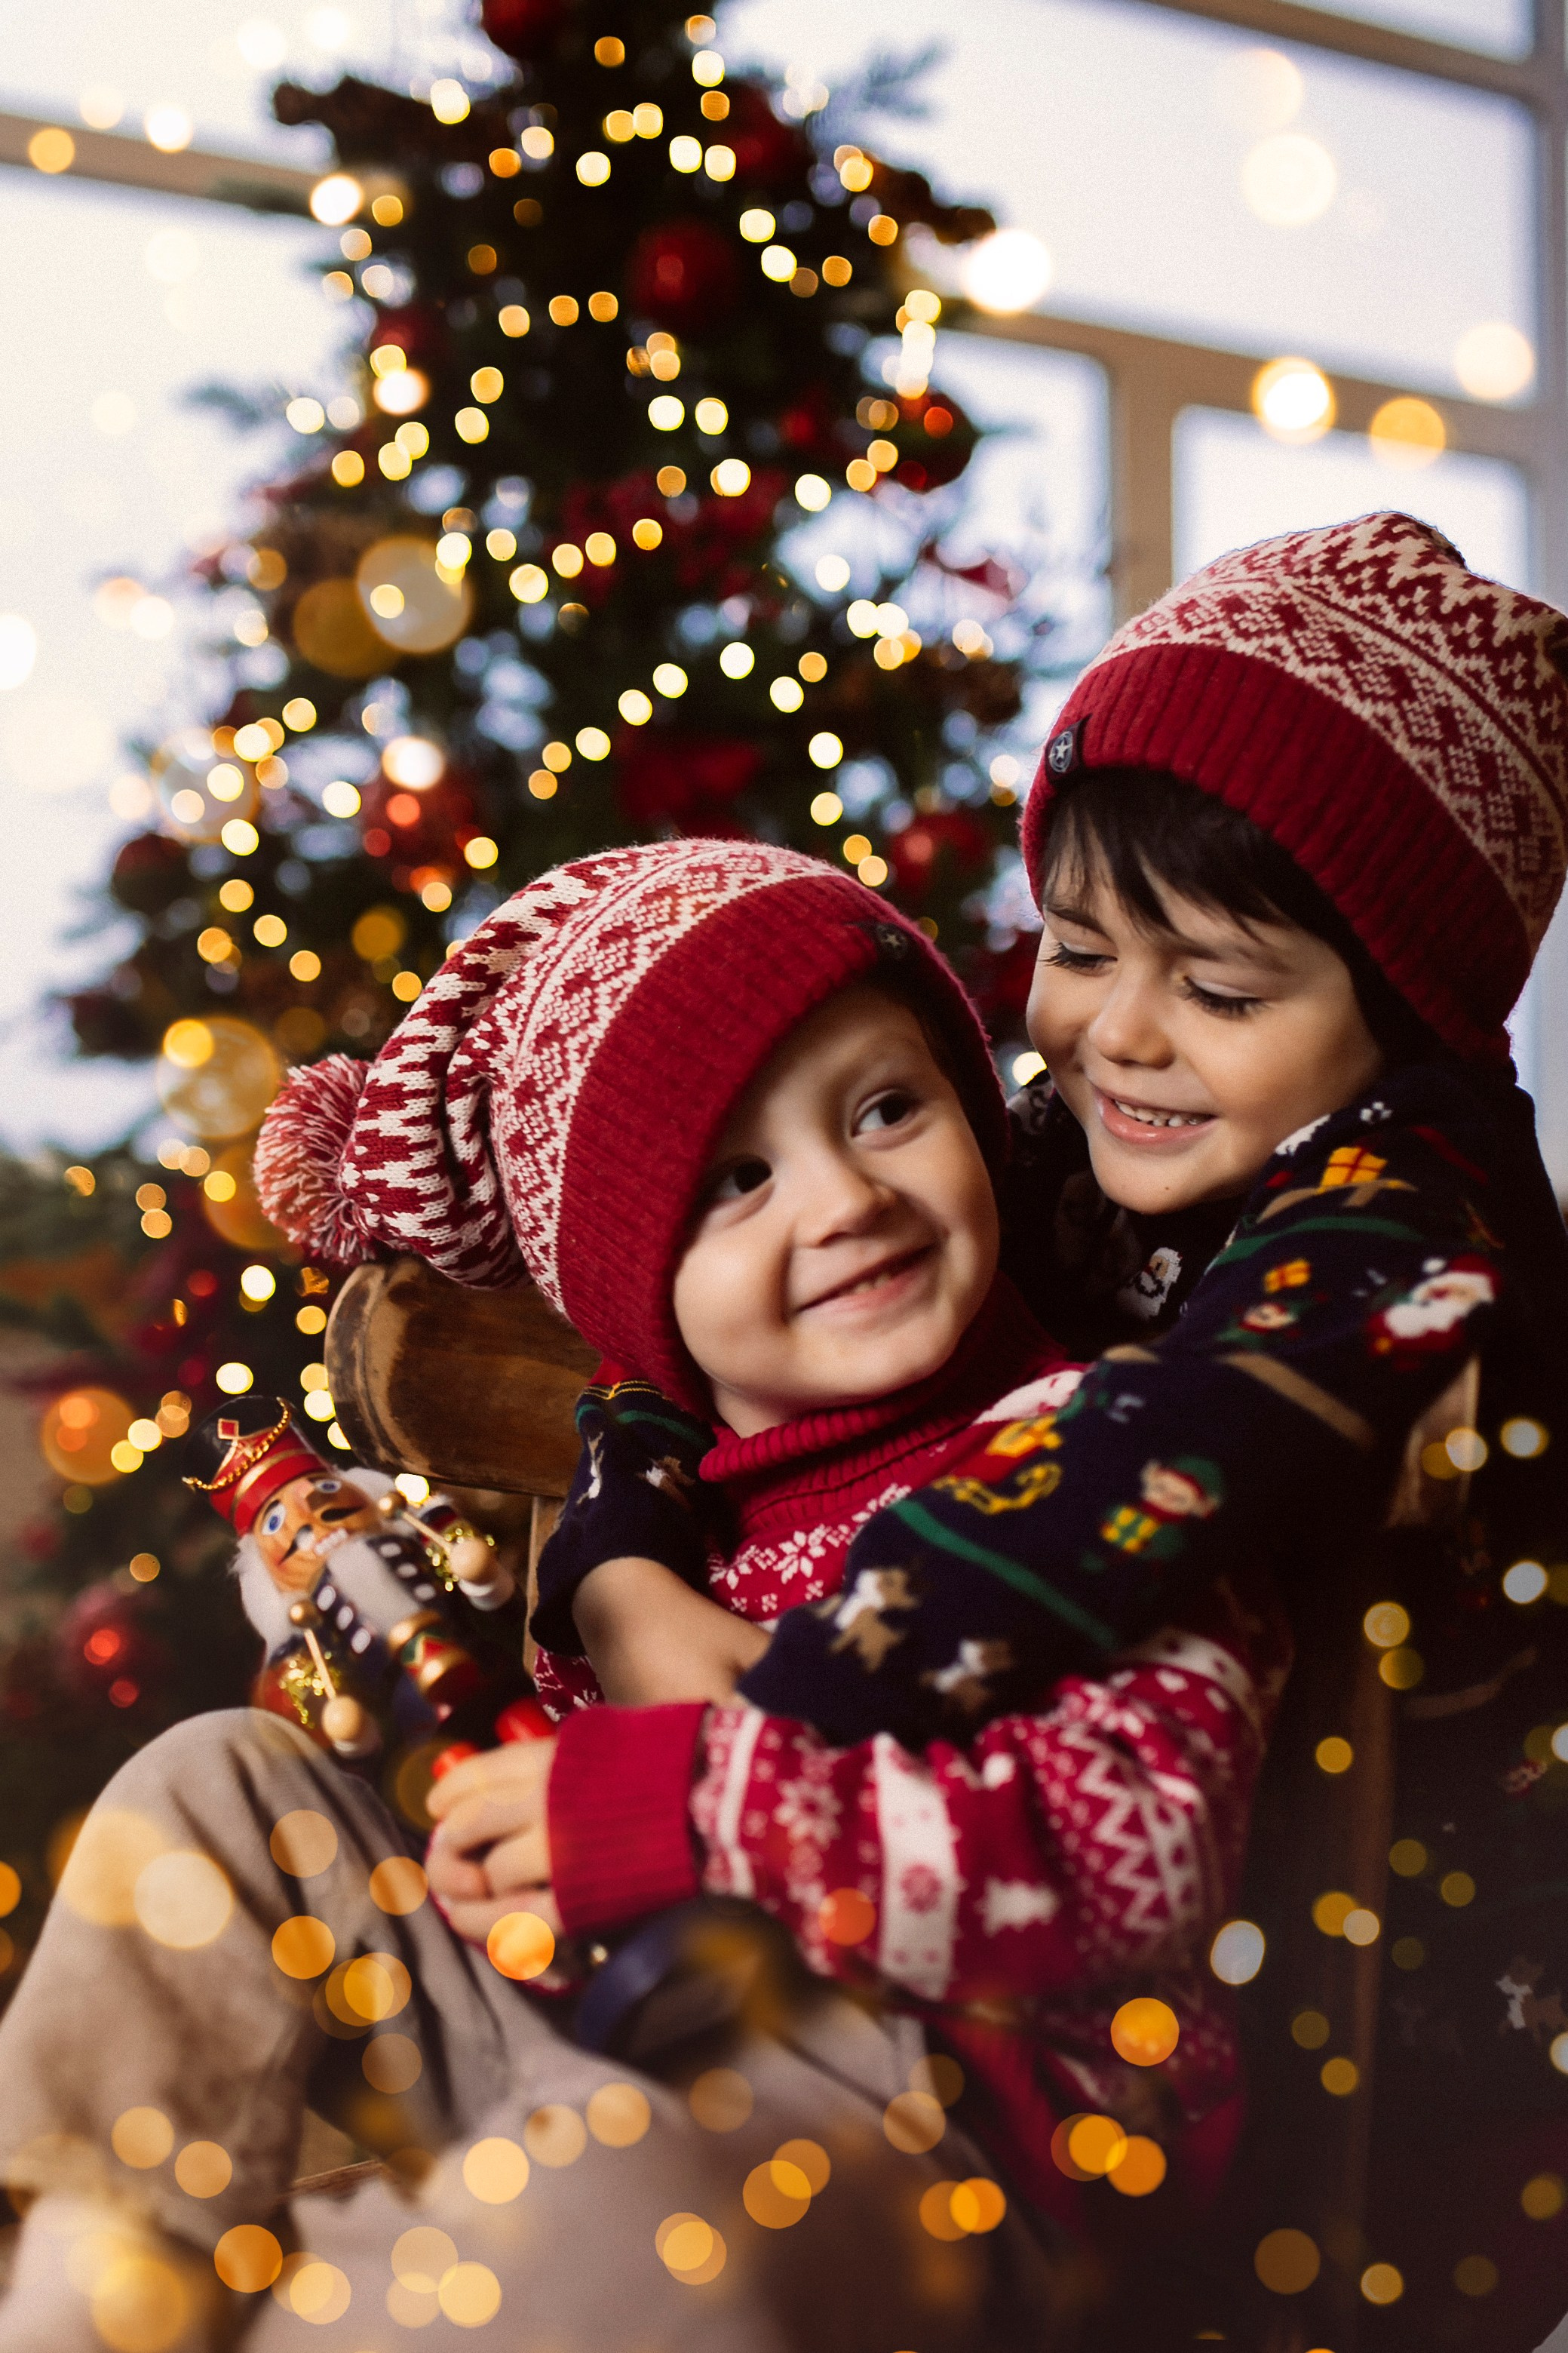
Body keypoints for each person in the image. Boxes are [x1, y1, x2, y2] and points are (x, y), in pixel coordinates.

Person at [0, 837, 1275, 2353]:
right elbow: (534, 1805)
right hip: (586, 2019)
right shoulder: (654, 1511)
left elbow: (1136, 1848)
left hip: (927, 2119)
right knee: (215, 1782)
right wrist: (417, 1694)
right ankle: (96, 2280)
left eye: (886, 1108)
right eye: (736, 1180)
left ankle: (348, 2295)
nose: (844, 1196)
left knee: (615, 2227)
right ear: (623, 1284)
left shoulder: (1102, 1458)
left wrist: (662, 1809)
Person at [535, 511, 1568, 2345]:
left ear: (1395, 1015)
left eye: (1222, 991)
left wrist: (772, 1709)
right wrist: (624, 1557)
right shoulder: (1084, 1128)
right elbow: (686, 1328)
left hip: (1383, 2068)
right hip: (996, 1970)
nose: (1115, 1038)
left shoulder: (1412, 1214)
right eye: (1078, 948)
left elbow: (1140, 1461)